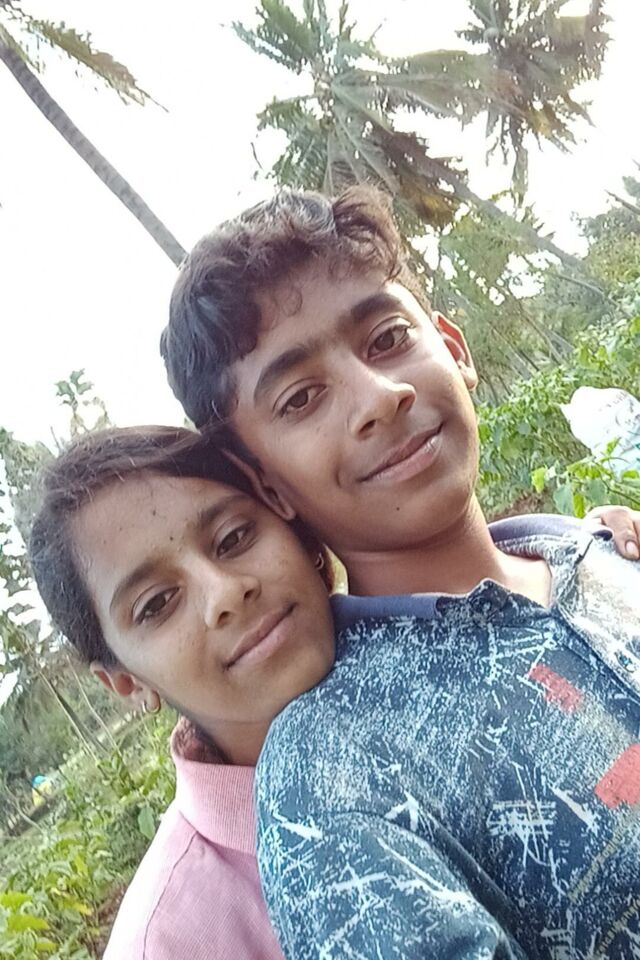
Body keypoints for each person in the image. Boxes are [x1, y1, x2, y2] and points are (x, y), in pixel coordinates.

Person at [162, 185, 640, 959]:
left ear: (454, 347)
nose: (380, 398)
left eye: (386, 339)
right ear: (265, 483)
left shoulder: (602, 554)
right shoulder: (331, 784)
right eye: (302, 397)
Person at [29, 425, 336, 960]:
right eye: (156, 604)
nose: (225, 593)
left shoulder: (448, 634)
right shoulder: (168, 943)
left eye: (233, 538)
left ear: (288, 520)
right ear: (127, 683)